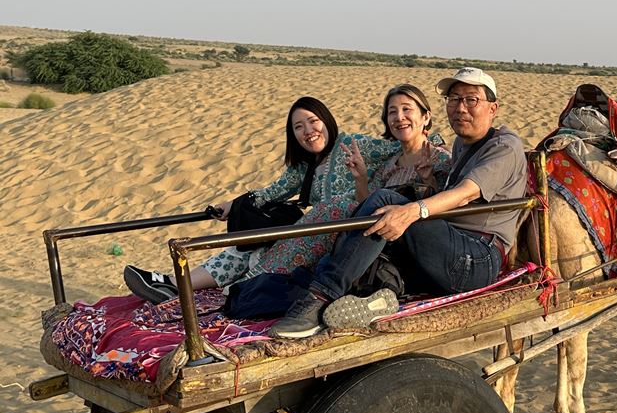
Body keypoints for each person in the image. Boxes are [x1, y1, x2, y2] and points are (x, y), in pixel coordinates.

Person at [264, 66, 527, 338]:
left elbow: (467, 193)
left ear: (492, 108)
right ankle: (379, 298)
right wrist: (425, 186)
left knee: (388, 202)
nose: (461, 108)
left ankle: (319, 299)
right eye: (454, 99)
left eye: (471, 100)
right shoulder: (462, 144)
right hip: (448, 246)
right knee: (377, 232)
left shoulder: (504, 146)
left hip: (476, 257)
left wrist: (413, 210)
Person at [124, 90, 447, 302]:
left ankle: (227, 289)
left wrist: (433, 145)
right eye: (298, 127)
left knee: (269, 248)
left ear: (327, 122)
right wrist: (232, 204)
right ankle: (172, 283)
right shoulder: (305, 167)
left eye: (313, 122)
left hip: (346, 234)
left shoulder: (354, 145)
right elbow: (272, 191)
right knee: (246, 249)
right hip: (321, 231)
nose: (308, 131)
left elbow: (405, 145)